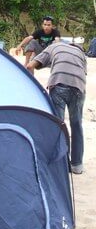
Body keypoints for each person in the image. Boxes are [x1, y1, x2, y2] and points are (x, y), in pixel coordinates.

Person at [27, 42, 87, 174]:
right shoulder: (81, 54)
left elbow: (30, 65)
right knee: (76, 124)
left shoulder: (55, 47)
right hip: (78, 87)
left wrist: (33, 88)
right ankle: (77, 165)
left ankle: (59, 164)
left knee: (58, 125)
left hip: (58, 85)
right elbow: (80, 74)